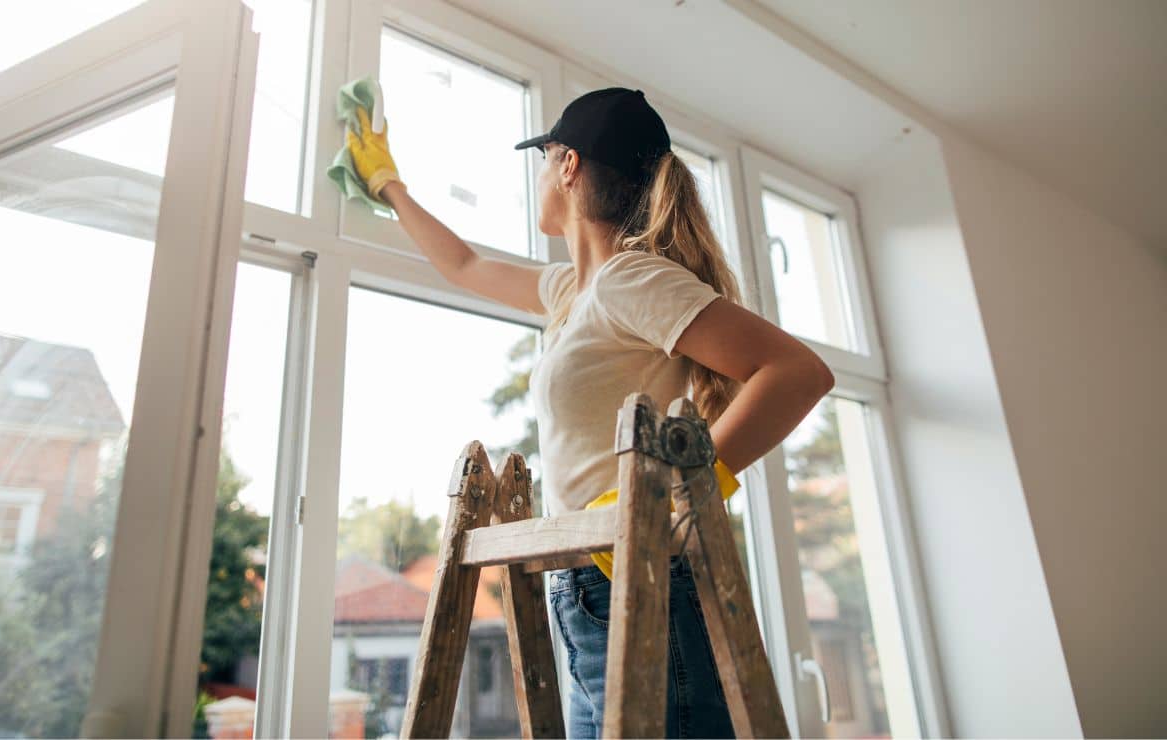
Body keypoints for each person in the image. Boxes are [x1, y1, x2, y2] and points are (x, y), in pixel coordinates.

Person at [347, 85, 834, 738]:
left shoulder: (633, 280)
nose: (542, 175)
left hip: (642, 581)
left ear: (568, 164)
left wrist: (680, 493)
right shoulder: (573, 291)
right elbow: (463, 264)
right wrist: (388, 184)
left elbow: (798, 373)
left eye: (544, 159)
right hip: (587, 589)